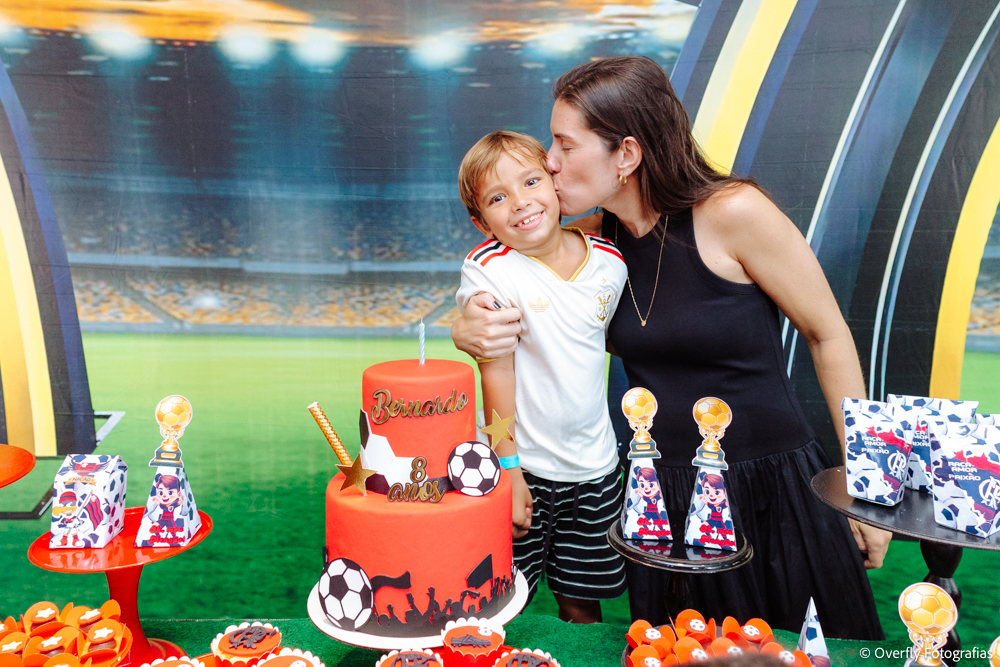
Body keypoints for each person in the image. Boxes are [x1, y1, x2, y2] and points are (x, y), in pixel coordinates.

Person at [451, 56, 888, 639]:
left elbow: (827, 334)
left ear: (626, 156)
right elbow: (515, 294)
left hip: (769, 493)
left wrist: (868, 486)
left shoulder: (734, 212)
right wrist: (463, 327)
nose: (548, 162)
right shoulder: (595, 243)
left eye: (563, 144)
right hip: (658, 498)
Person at [455, 130, 628, 623]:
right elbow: (496, 370)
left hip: (595, 469)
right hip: (522, 467)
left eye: (531, 181)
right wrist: (507, 469)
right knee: (496, 604)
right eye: (497, 197)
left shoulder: (610, 263)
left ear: (555, 185)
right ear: (480, 221)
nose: (520, 202)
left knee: (582, 603)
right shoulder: (489, 268)